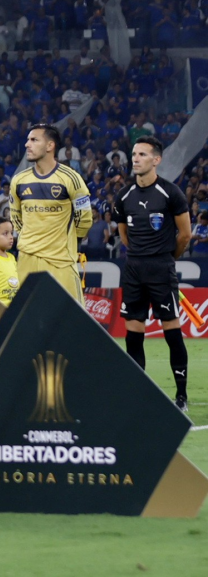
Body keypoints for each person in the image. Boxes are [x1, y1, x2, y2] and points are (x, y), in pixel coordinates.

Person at [114, 136, 192, 412]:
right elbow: (124, 235)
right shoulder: (123, 196)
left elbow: (185, 235)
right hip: (134, 270)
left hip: (161, 269)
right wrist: (140, 254)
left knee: (172, 332)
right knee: (133, 334)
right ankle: (138, 394)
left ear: (156, 160)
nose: (135, 159)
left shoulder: (171, 193)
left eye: (142, 154)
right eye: (134, 154)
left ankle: (181, 396)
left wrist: (167, 259)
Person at [9, 124, 93, 303]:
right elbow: (16, 218)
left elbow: (84, 219)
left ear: (50, 145)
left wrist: (69, 240)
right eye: (28, 140)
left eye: (34, 140)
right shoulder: (18, 180)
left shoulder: (71, 178)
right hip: (27, 261)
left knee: (68, 317)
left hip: (60, 262)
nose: (27, 144)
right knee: (28, 316)